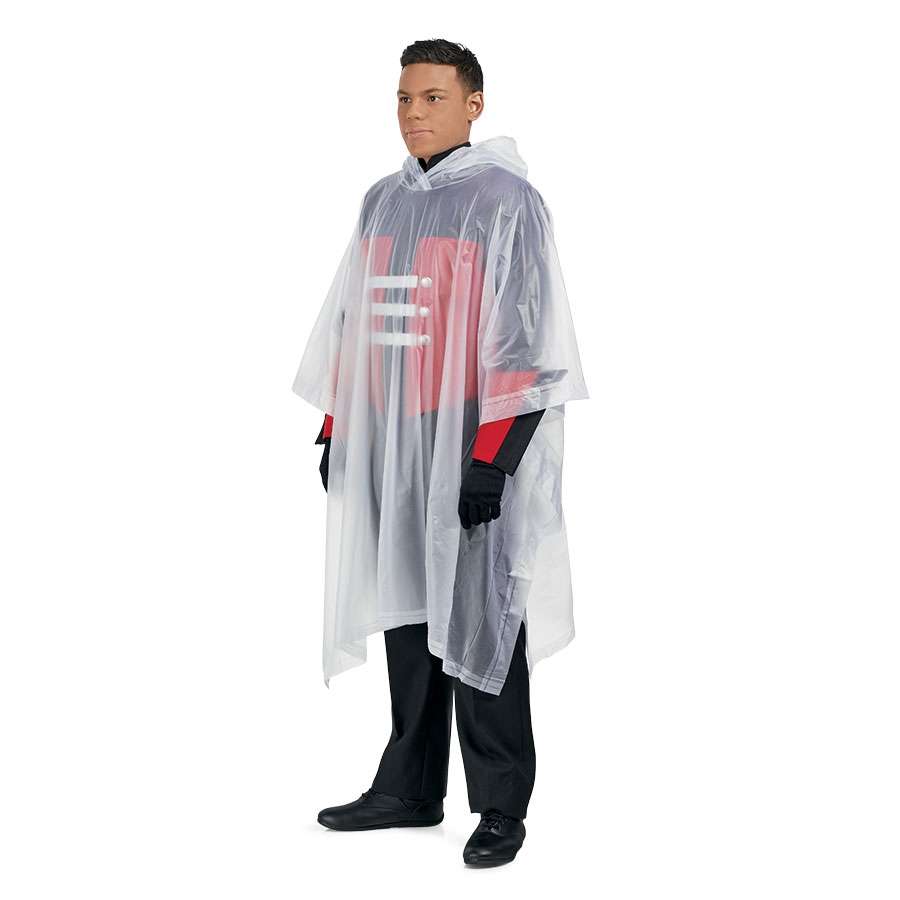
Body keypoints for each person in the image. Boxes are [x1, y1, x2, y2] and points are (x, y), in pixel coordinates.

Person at [292, 39, 588, 867]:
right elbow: (356, 322)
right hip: (392, 444)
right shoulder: (383, 201)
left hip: (466, 442)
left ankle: (500, 804)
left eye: (432, 97)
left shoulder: (506, 201)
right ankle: (410, 786)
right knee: (408, 612)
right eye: (403, 98)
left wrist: (492, 459)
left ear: (473, 105)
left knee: (481, 619)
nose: (413, 113)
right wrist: (338, 429)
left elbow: (528, 338)